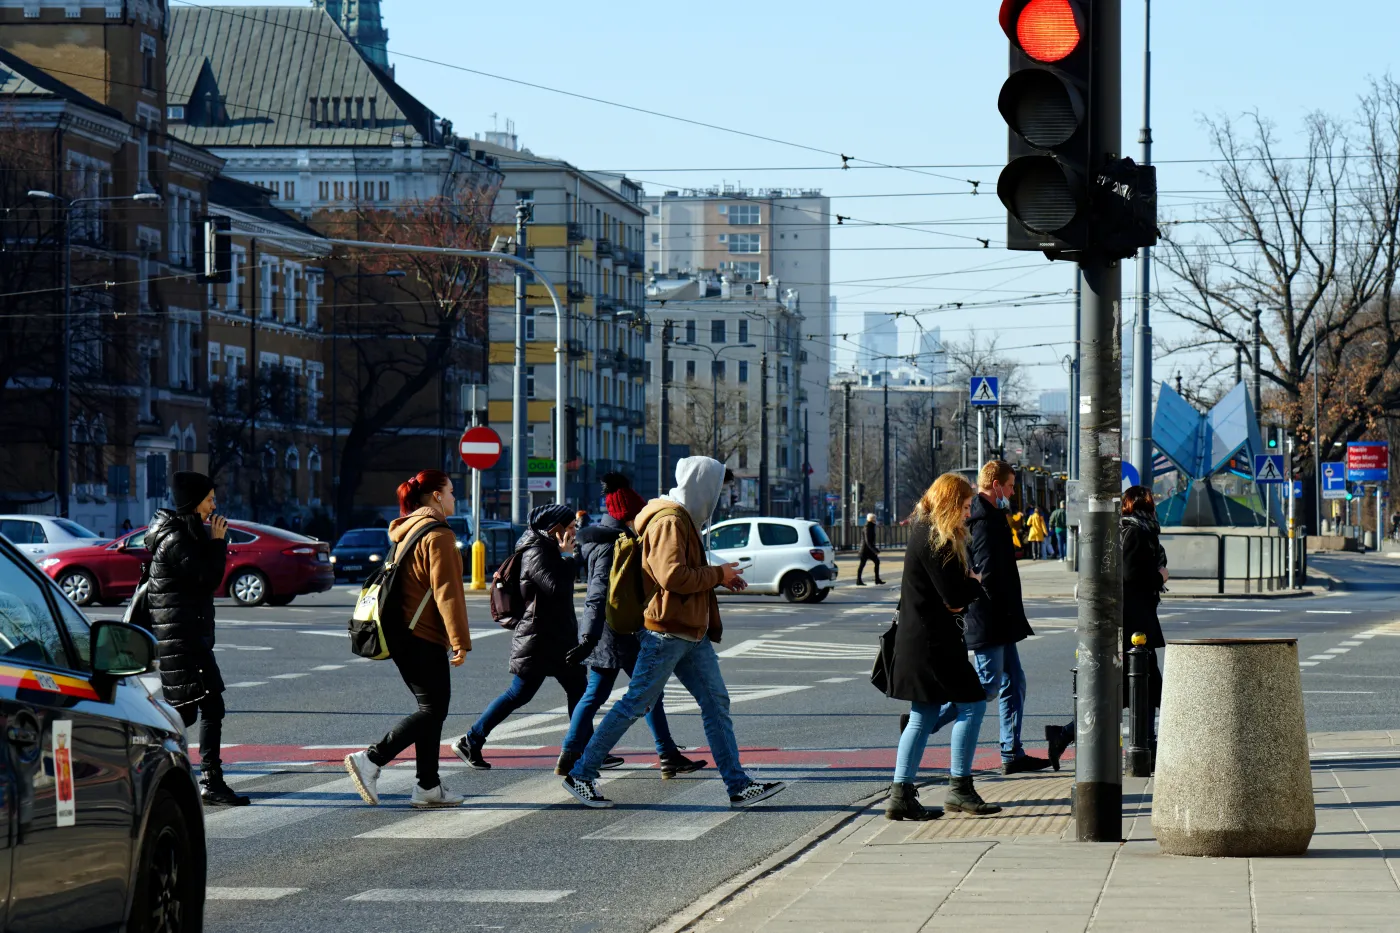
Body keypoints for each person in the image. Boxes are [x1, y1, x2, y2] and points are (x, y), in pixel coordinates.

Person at [562, 456, 786, 810]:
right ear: (702, 487)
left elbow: (683, 572)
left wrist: (720, 576)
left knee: (715, 704)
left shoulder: (679, 518)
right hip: (667, 631)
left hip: (688, 631)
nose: (717, 499)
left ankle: (738, 785)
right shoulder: (670, 521)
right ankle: (582, 773)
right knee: (636, 702)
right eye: (716, 490)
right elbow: (672, 577)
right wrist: (717, 575)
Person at [558, 472, 707, 779]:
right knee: (646, 692)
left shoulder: (612, 539)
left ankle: (572, 753)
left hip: (610, 631)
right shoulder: (611, 545)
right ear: (627, 516)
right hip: (617, 632)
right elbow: (598, 593)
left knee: (603, 693)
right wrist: (587, 637)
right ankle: (665, 755)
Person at [345, 469, 471, 808]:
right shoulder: (439, 534)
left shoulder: (407, 529)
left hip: (401, 633)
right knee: (433, 709)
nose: (455, 497)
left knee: (430, 708)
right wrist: (459, 640)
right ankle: (371, 758)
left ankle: (428, 786)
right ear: (435, 496)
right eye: (451, 491)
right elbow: (447, 592)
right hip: (422, 635)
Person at [886, 473, 1001, 821]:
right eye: (965, 507)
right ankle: (959, 788)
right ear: (951, 505)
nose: (968, 514)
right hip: (933, 646)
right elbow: (953, 598)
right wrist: (974, 583)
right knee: (972, 704)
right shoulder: (936, 539)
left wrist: (964, 586)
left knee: (923, 716)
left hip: (923, 642)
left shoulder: (925, 532)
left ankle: (901, 794)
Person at [451, 504, 588, 770]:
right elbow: (557, 589)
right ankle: (471, 740)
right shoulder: (536, 552)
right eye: (570, 527)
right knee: (520, 693)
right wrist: (568, 556)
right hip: (539, 639)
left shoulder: (546, 549)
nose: (574, 532)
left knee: (578, 690)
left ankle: (585, 750)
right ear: (555, 529)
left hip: (555, 637)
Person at [1045, 486, 1168, 769]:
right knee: (1138, 689)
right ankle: (1143, 749)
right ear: (1143, 507)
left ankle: (1142, 746)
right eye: (1151, 505)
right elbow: (1129, 577)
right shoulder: (1135, 533)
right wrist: (1159, 576)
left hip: (1133, 625)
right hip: (1133, 627)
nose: (1155, 510)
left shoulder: (1129, 531)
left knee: (1133, 691)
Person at [146, 471, 247, 806]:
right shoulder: (176, 538)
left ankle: (165, 774)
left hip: (186, 636)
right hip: (182, 638)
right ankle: (210, 781)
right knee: (210, 705)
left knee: (186, 713)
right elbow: (207, 579)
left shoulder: (185, 532)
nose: (214, 506)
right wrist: (218, 541)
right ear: (193, 502)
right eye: (209, 499)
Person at [966, 460, 1051, 775]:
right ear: (996, 485)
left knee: (1013, 682)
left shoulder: (993, 516)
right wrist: (1001, 613)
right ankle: (925, 718)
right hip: (989, 618)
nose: (1013, 493)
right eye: (1011, 486)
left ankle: (1012, 753)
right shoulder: (983, 521)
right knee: (988, 686)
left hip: (1000, 618)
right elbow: (986, 575)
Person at [856, 513, 884, 585]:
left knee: (876, 562)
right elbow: (868, 541)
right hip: (865, 550)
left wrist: (874, 549)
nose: (875, 519)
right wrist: (875, 550)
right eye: (874, 518)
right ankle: (858, 580)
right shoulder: (867, 528)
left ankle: (877, 579)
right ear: (872, 519)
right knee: (862, 564)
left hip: (869, 550)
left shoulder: (871, 526)